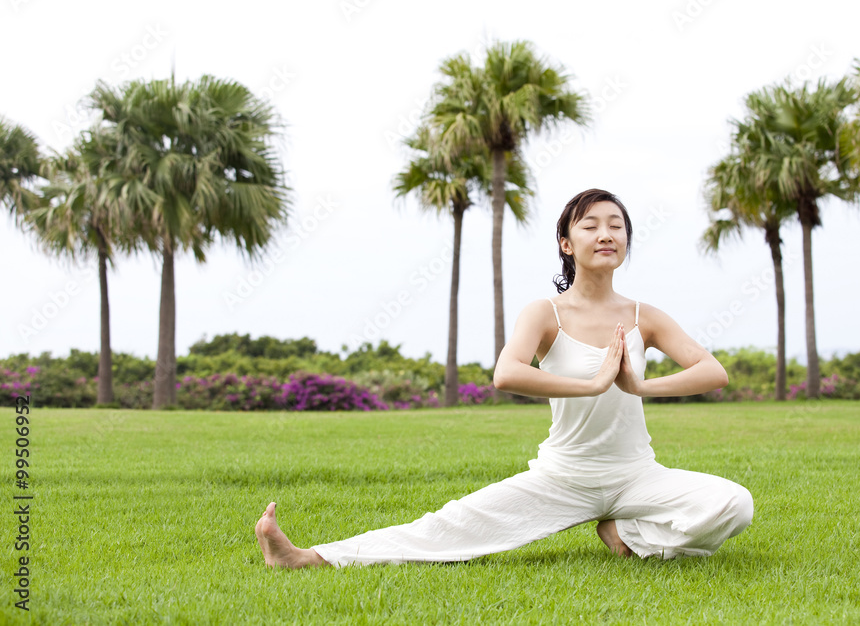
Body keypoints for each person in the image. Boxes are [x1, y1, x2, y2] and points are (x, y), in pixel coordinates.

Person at [255, 188, 753, 568]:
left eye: (616, 226)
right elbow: (506, 373)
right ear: (566, 242)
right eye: (590, 226)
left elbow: (713, 372)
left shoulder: (646, 314)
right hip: (565, 476)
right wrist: (593, 383)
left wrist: (639, 386)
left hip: (636, 473)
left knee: (732, 504)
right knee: (450, 526)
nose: (606, 234)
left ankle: (626, 535)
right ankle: (305, 556)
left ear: (626, 240)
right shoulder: (545, 313)